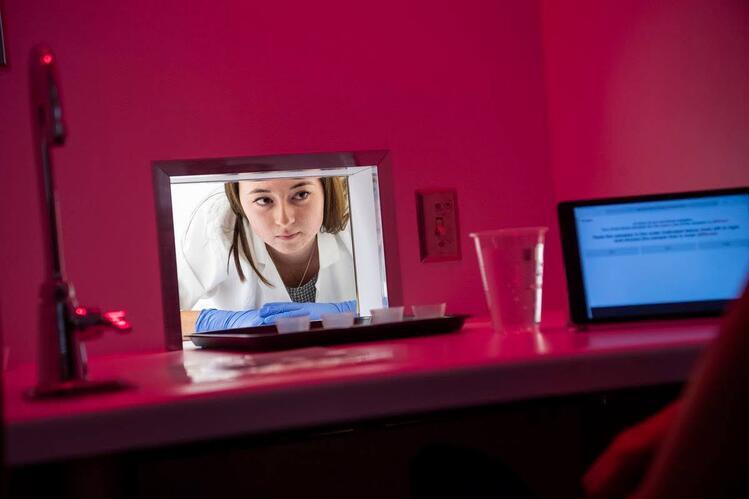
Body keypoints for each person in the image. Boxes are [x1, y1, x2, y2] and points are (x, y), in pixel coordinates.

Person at [177, 176, 357, 333]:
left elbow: (386, 298)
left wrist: (353, 311)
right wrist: (216, 323)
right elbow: (156, 319)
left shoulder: (360, 208)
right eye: (263, 200)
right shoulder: (218, 224)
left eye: (301, 195)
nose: (284, 220)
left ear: (326, 189)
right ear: (238, 200)